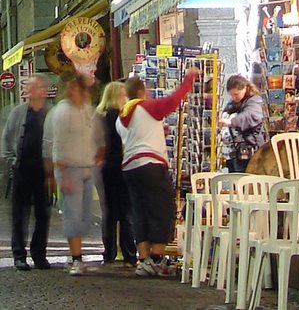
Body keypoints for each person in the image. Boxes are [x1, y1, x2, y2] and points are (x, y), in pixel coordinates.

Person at [117, 67, 199, 278]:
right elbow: (172, 101)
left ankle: (144, 260)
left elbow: (138, 134)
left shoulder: (121, 118)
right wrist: (189, 79)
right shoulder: (147, 107)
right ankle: (157, 258)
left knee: (140, 212)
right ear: (142, 92)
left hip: (130, 167)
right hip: (151, 164)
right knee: (163, 209)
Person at [43, 73, 105, 276]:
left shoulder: (88, 111)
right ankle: (76, 258)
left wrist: (98, 155)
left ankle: (76, 254)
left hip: (86, 167)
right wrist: (60, 174)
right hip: (69, 168)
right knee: (73, 213)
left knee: (85, 216)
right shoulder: (62, 112)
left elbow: (96, 138)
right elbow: (57, 145)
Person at [1, 74, 52, 271]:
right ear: (30, 91)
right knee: (19, 214)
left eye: (42, 86)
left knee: (42, 213)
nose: (41, 90)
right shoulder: (19, 113)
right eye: (37, 87)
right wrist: (11, 160)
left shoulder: (50, 112)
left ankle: (39, 255)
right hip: (22, 168)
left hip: (42, 170)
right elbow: (7, 137)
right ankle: (19, 255)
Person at [95, 81, 137, 267]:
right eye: (123, 95)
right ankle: (129, 253)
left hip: (104, 168)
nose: (126, 98)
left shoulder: (99, 117)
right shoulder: (120, 117)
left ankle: (109, 252)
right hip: (120, 166)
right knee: (126, 212)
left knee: (109, 213)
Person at [219, 74, 268, 172]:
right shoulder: (232, 103)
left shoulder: (255, 101)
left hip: (249, 152)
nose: (234, 97)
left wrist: (231, 122)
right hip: (234, 154)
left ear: (245, 88)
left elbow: (250, 116)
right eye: (231, 95)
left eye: (236, 94)